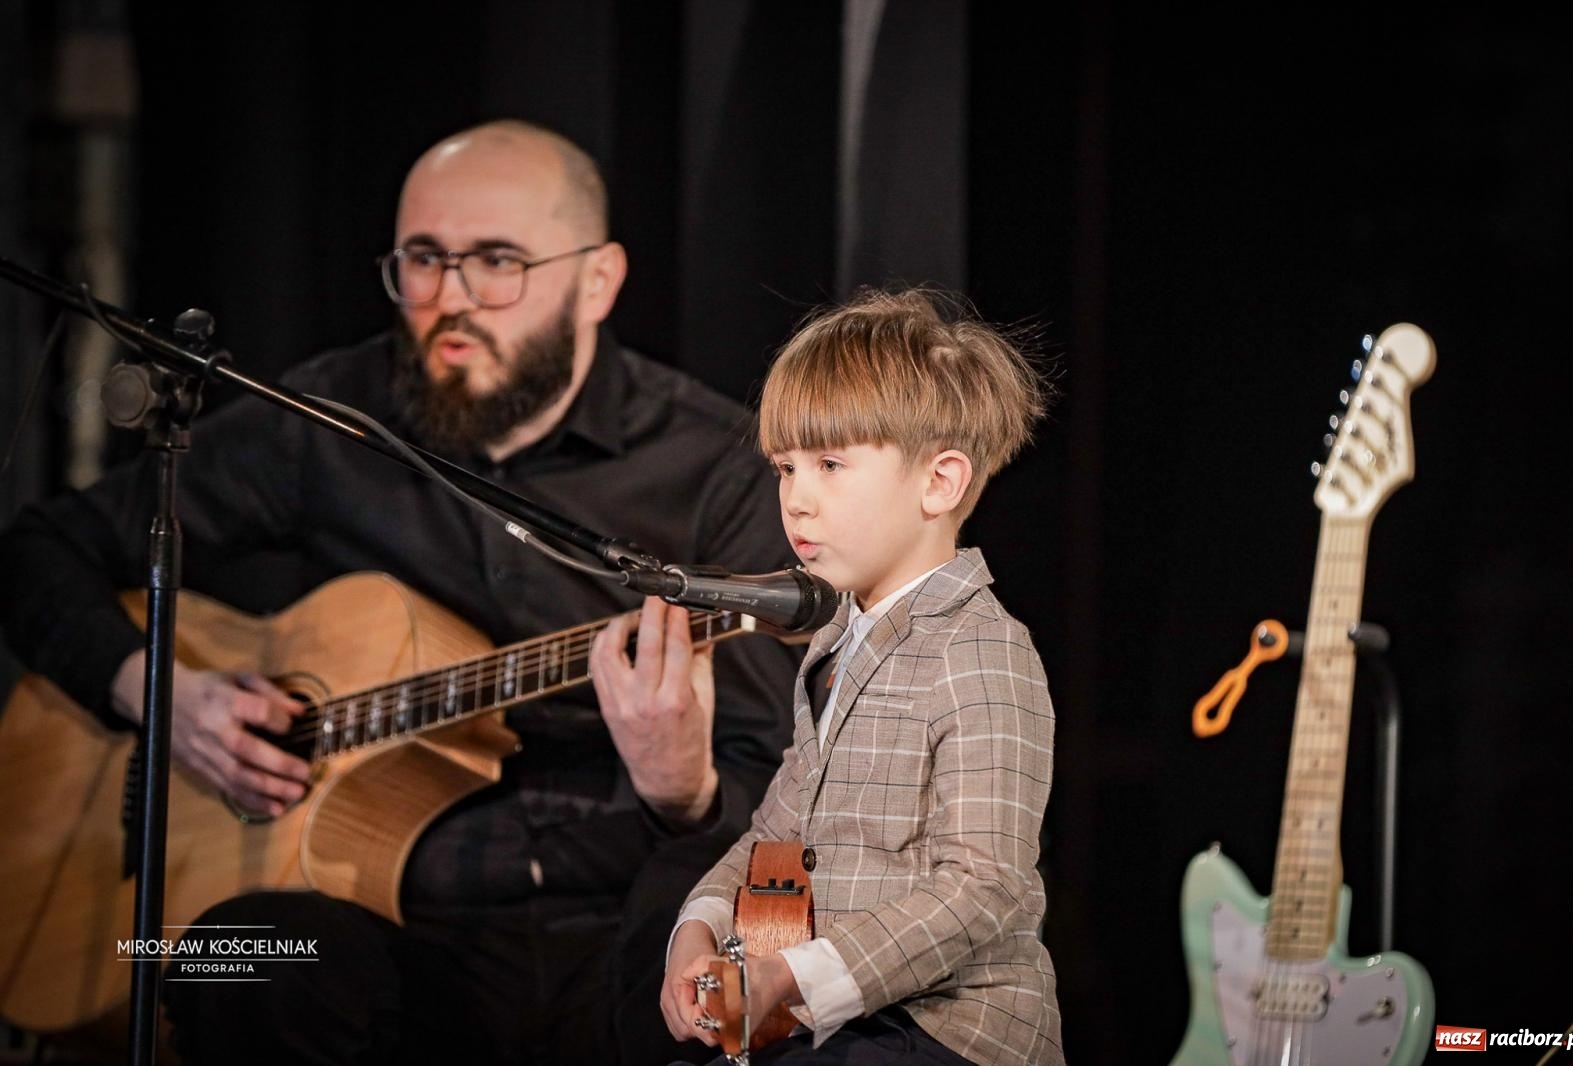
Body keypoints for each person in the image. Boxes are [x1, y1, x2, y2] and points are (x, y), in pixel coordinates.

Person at [0, 120, 801, 1064]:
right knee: (228, 961)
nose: (449, 301)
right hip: (382, 923)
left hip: (614, 921)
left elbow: (783, 799)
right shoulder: (332, 420)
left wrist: (687, 792)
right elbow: (34, 551)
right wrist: (161, 698)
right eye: (423, 261)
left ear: (598, 280)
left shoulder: (722, 469)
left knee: (726, 968)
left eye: (496, 262)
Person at [660, 288, 1066, 1065]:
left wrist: (794, 974)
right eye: (785, 467)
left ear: (940, 484)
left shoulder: (980, 649)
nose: (796, 499)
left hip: (945, 1033)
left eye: (830, 464)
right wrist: (699, 929)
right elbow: (777, 835)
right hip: (838, 1027)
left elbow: (985, 886)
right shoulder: (836, 643)